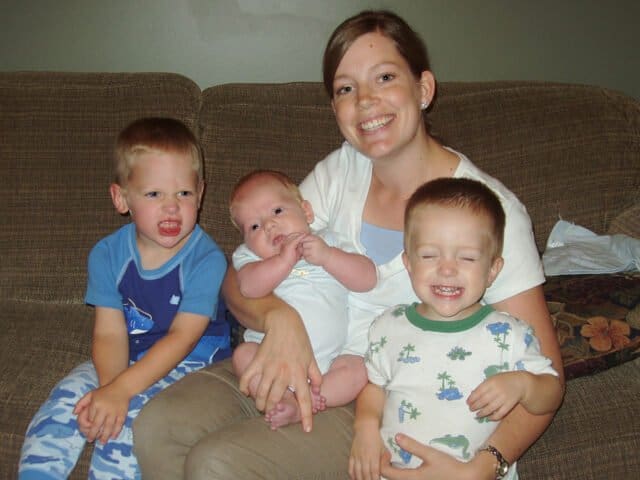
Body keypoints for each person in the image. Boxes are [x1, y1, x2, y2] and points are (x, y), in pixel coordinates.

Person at [133, 10, 564, 480]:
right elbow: (239, 279)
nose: (366, 101)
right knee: (159, 427)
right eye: (345, 88)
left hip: (383, 400)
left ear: (423, 89)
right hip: (296, 357)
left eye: (384, 77)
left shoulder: (490, 212)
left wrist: (486, 465)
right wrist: (280, 321)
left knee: (217, 464)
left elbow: (546, 379)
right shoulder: (339, 173)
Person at [18, 117, 229, 479]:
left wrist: (122, 393)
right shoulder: (107, 255)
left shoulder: (207, 260)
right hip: (129, 354)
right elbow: (110, 334)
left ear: (201, 193)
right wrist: (109, 389)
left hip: (191, 365)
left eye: (184, 193)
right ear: (121, 198)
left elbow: (182, 338)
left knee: (131, 421)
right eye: (153, 194)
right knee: (68, 400)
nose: (171, 207)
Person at [350, 177, 562, 480]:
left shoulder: (509, 333)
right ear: (408, 263)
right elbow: (374, 388)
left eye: (466, 257)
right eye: (429, 255)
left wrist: (524, 385)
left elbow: (552, 392)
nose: (447, 269)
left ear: (492, 270)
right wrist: (365, 428)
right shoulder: (387, 327)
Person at [229, 169, 377, 429]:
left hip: (328, 364)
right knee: (243, 355)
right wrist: (282, 261)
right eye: (254, 226)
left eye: (277, 211)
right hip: (269, 357)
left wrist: (329, 257)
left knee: (357, 370)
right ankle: (282, 398)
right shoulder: (250, 257)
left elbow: (367, 278)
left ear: (306, 212)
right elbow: (248, 288)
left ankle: (304, 403)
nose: (269, 226)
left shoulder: (329, 240)